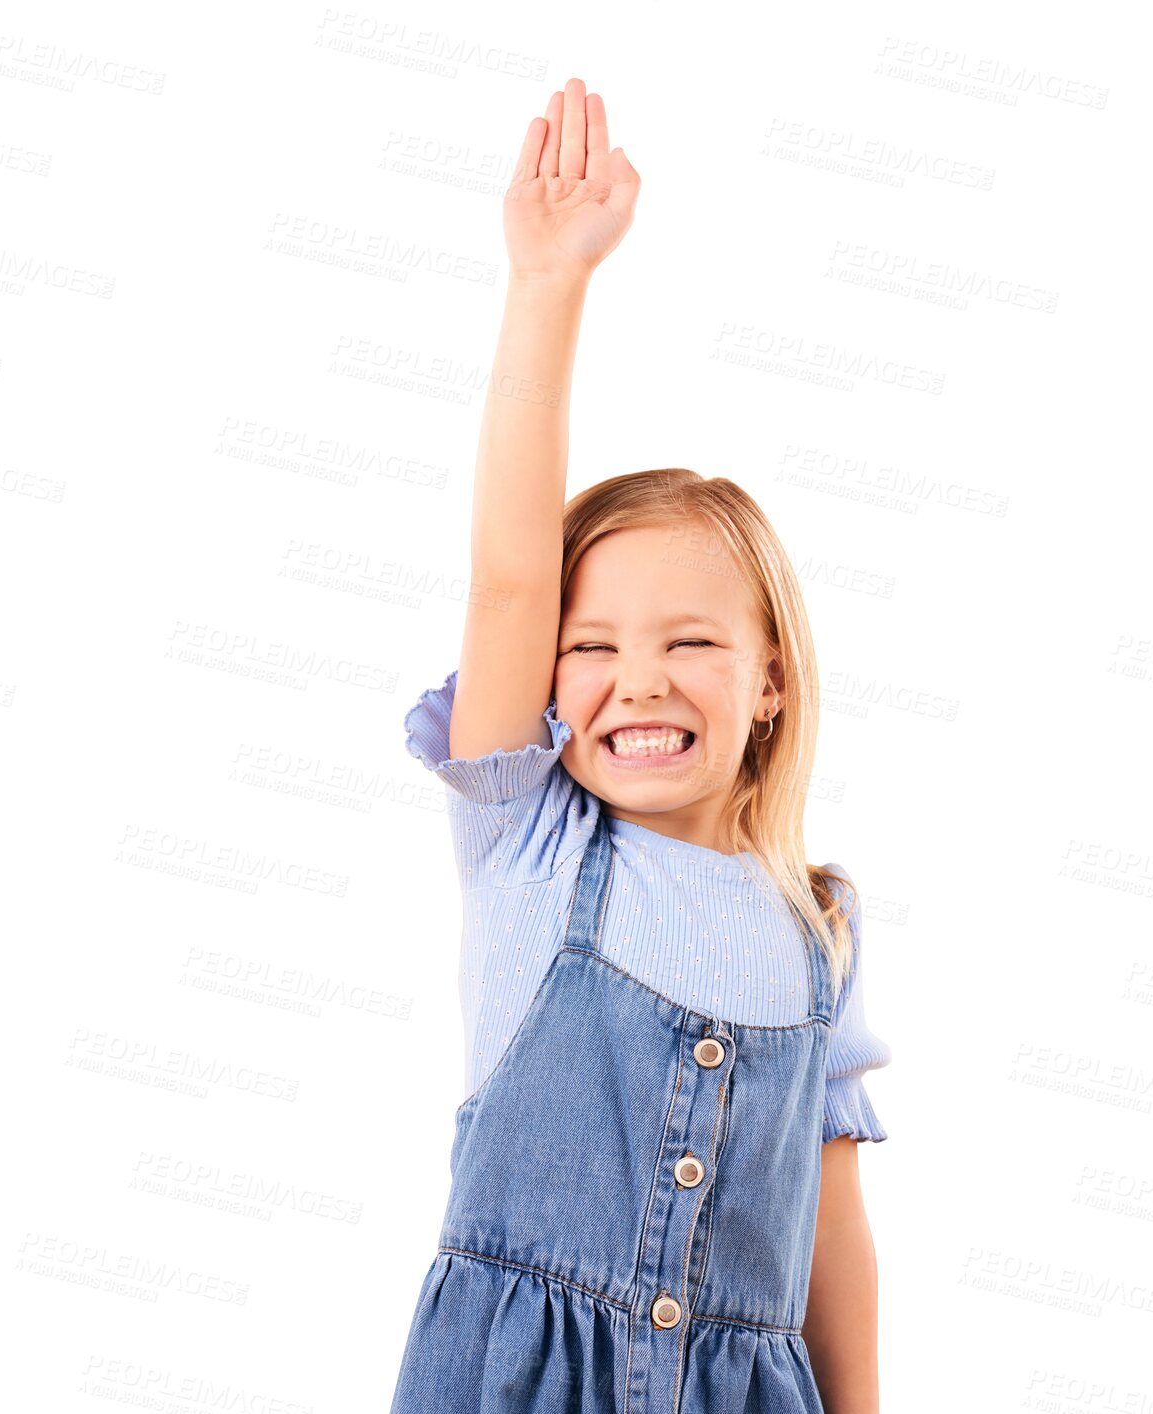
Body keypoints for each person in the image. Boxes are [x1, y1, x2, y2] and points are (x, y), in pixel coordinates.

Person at [390, 77, 892, 1414]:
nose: (637, 680)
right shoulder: (528, 839)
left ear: (771, 679)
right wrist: (546, 280)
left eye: (691, 642)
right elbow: (507, 576)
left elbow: (830, 1236)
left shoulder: (819, 929)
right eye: (593, 643)